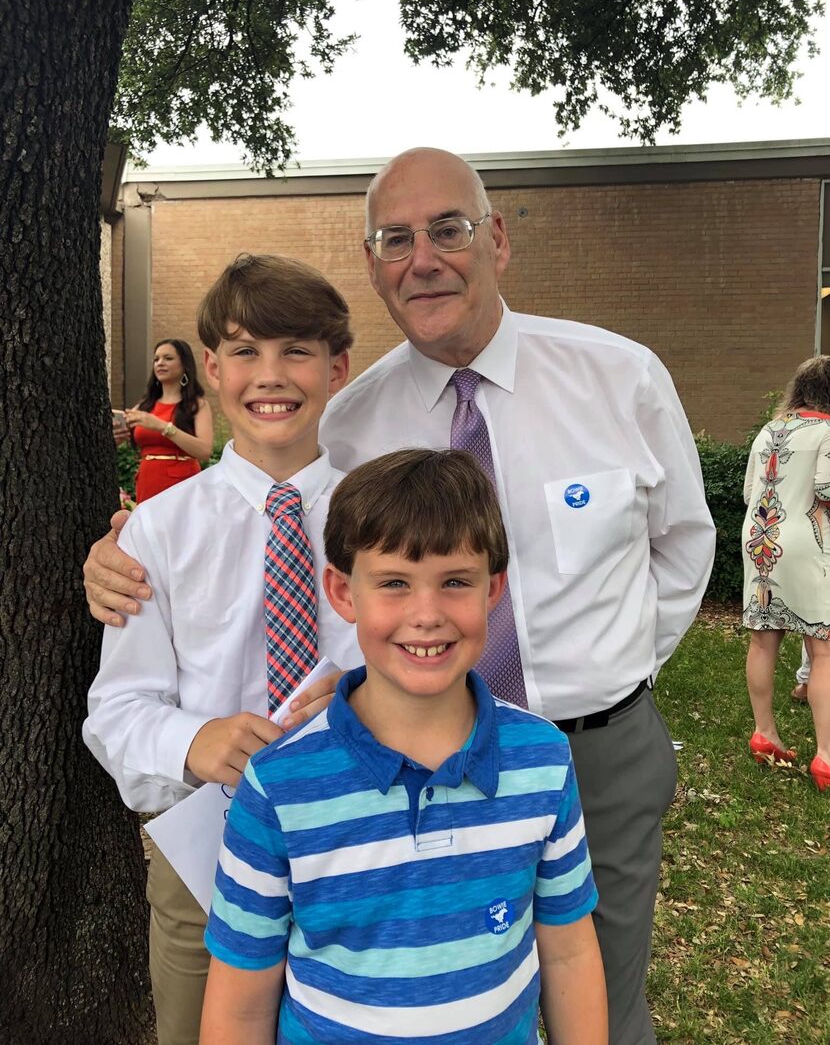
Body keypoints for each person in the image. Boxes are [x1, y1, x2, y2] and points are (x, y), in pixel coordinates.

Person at [84, 148, 715, 1045]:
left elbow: (686, 546)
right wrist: (115, 552)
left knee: (589, 992)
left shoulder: (620, 376)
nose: (424, 257)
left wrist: (613, 674)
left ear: (495, 237)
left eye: (448, 229)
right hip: (297, 814)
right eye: (395, 239)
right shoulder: (349, 427)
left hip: (574, 755)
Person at [200, 448, 607, 1045]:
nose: (426, 615)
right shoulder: (278, 785)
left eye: (455, 582)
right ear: (342, 591)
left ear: (493, 588)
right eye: (394, 583)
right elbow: (239, 1005)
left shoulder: (542, 759)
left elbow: (569, 954)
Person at [83, 254, 362, 1045]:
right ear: (211, 366)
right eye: (244, 350)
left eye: (296, 350)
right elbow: (117, 706)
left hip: (362, 838)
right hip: (207, 856)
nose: (269, 375)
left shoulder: (383, 516)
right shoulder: (158, 530)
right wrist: (194, 739)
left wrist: (378, 691)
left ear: (337, 367)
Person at [742, 356, 830, 791]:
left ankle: (765, 733)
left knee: (763, 639)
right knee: (824, 651)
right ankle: (827, 756)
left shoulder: (769, 430)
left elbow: (747, 491)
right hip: (806, 539)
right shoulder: (828, 431)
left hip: (759, 535)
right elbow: (828, 491)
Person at [119, 337, 214, 502]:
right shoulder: (144, 406)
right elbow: (123, 439)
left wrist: (163, 427)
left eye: (168, 358)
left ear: (185, 365)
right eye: (156, 359)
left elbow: (204, 451)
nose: (160, 363)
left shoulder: (197, 405)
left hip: (182, 482)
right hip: (147, 480)